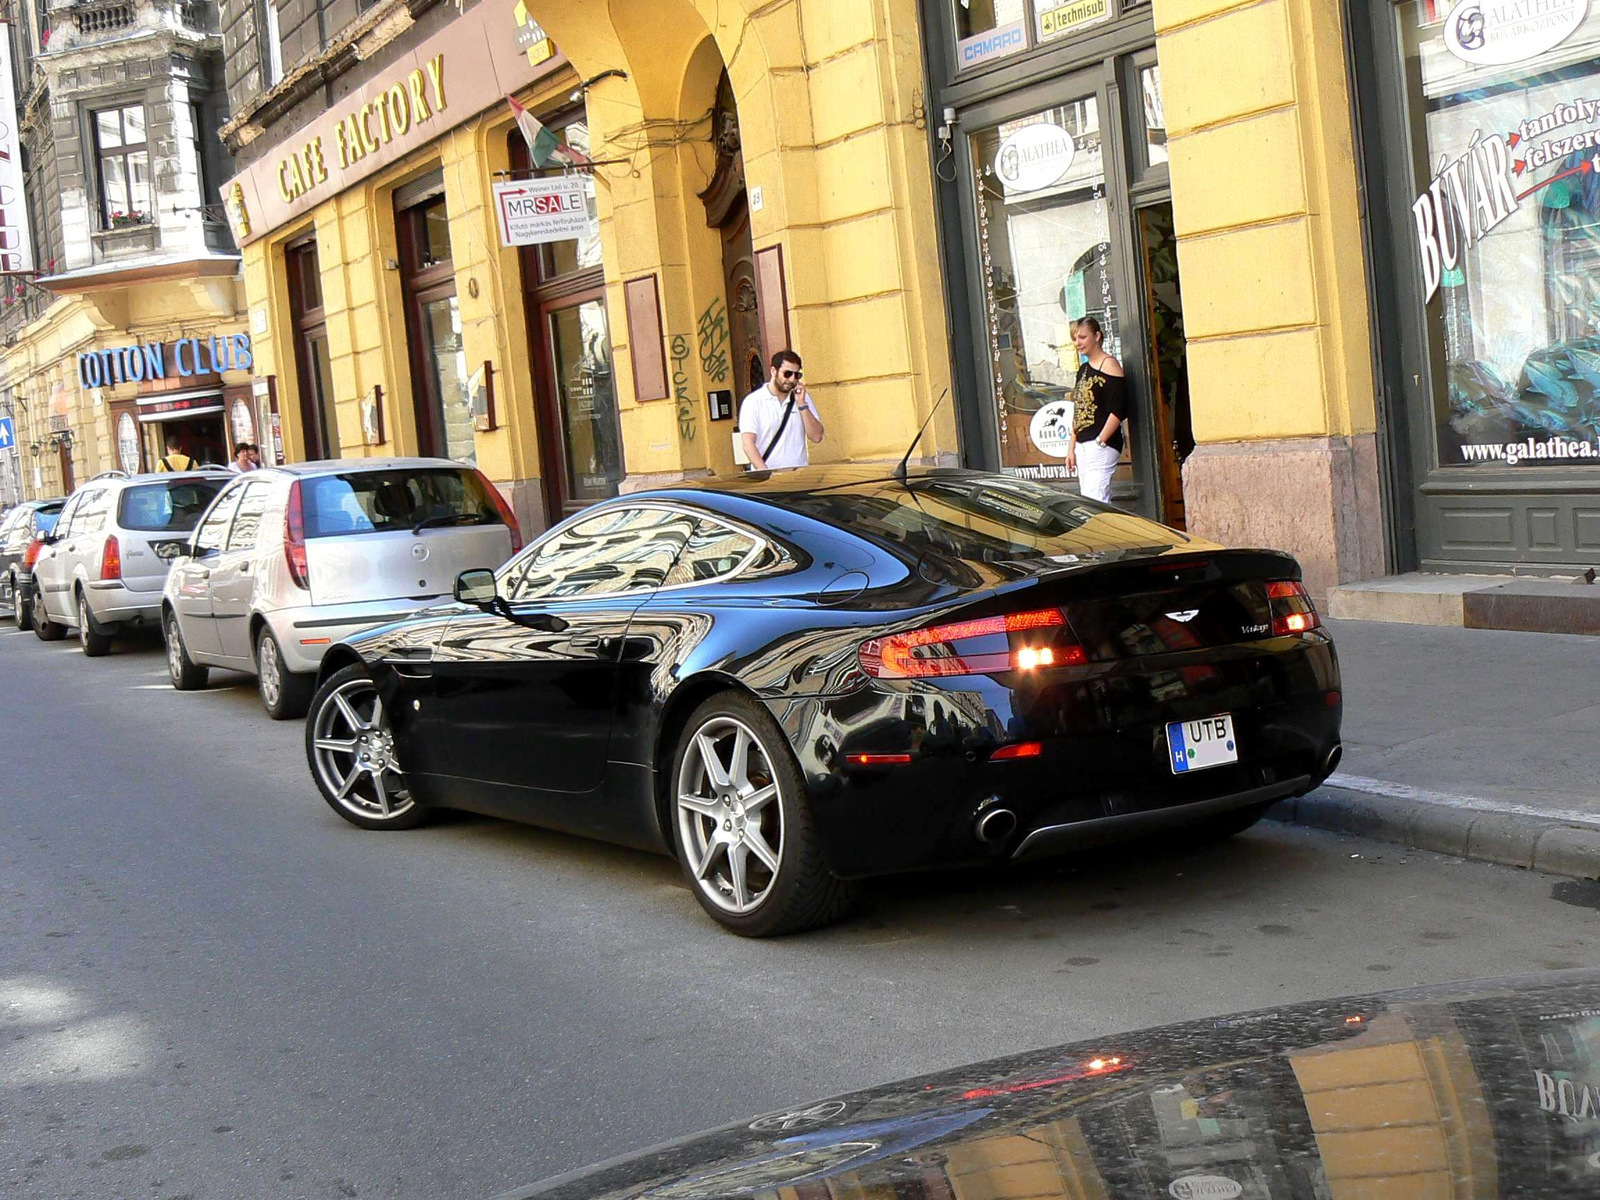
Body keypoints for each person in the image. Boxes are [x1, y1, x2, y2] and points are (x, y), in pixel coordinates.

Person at [1065, 317, 1127, 504]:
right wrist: (1071, 447)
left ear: (1097, 336)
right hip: (1083, 444)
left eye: (1083, 337)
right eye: (1075, 338)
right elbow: (1079, 409)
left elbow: (1119, 408)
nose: (1078, 343)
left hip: (1101, 444)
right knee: (1088, 502)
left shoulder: (1109, 365)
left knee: (1096, 500)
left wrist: (1101, 440)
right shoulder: (1083, 369)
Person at [739, 349, 824, 471]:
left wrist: (802, 404)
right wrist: (765, 473)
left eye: (797, 375)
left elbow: (816, 436)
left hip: (798, 478)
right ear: (774, 371)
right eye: (787, 374)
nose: (792, 379)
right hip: (768, 479)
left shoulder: (802, 398)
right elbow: (748, 443)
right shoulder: (753, 402)